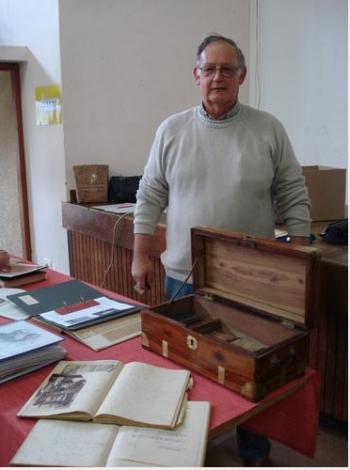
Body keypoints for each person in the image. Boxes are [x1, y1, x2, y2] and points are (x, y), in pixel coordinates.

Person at [132, 34, 311, 466]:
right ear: (196, 76)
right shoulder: (171, 130)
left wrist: (301, 261)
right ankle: (195, 448)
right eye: (209, 69)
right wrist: (139, 255)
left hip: (252, 284)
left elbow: (293, 193)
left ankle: (254, 452)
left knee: (253, 370)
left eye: (227, 69)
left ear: (242, 76)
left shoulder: (268, 128)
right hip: (182, 275)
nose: (218, 77)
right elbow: (149, 195)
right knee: (189, 371)